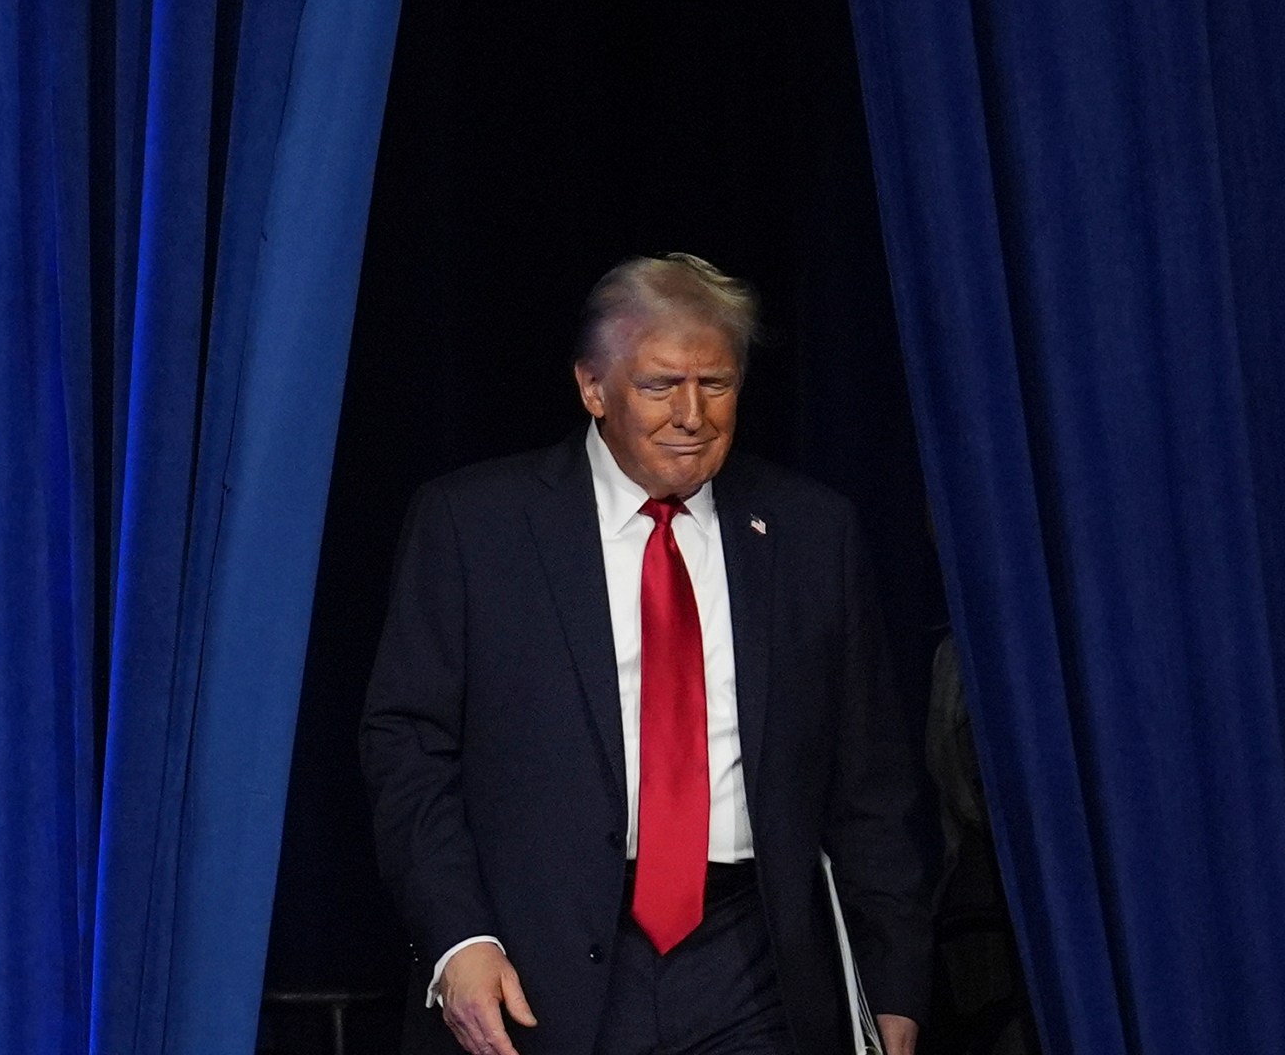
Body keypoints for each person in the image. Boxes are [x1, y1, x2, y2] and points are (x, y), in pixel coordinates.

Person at [362, 254, 930, 1055]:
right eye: (660, 386)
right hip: (541, 964)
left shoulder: (810, 534)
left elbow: (869, 779)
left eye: (717, 384)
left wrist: (894, 987)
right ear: (594, 389)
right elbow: (408, 751)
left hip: (754, 958)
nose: (691, 414)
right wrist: (460, 941)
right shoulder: (475, 526)